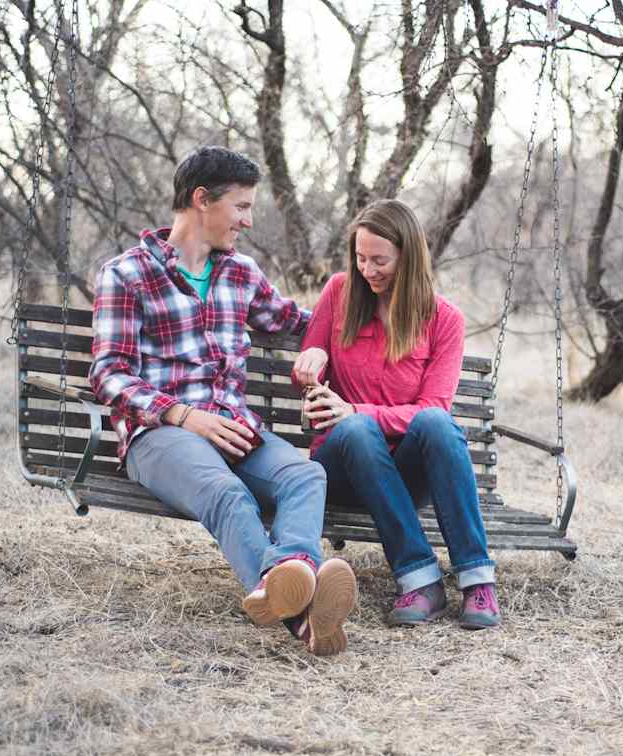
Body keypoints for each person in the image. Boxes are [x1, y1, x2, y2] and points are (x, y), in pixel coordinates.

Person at [90, 146, 357, 656]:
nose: (248, 220)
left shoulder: (240, 273)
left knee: (305, 474)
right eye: (241, 206)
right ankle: (302, 605)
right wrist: (186, 416)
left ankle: (291, 583)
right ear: (201, 201)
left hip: (235, 429)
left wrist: (322, 340)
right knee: (227, 493)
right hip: (161, 433)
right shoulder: (127, 274)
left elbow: (299, 323)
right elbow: (108, 373)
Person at [292, 199, 500, 630]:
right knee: (354, 428)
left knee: (436, 424)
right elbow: (310, 384)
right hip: (344, 466)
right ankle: (420, 579)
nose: (367, 270)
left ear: (408, 256)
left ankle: (477, 581)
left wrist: (357, 409)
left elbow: (432, 409)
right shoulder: (339, 292)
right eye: (360, 258)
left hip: (405, 473)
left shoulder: (444, 319)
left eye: (379, 260)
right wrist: (310, 359)